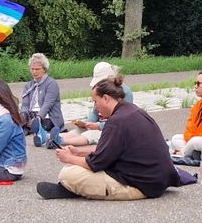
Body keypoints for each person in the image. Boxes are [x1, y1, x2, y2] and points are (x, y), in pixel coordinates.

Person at [36, 77, 180, 200]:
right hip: (156, 179)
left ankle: (74, 189)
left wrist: (69, 158)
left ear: (105, 98)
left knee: (69, 173)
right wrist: (78, 152)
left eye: (95, 101)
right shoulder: (133, 110)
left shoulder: (116, 122)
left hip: (141, 185)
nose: (95, 106)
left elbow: (96, 163)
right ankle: (78, 188)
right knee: (77, 165)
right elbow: (109, 150)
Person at [62, 61, 133, 147]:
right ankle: (50, 138)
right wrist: (87, 124)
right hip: (99, 124)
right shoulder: (100, 90)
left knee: (91, 135)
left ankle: (61, 142)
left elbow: (121, 121)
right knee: (77, 132)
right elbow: (95, 111)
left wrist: (99, 126)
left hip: (113, 129)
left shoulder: (124, 92)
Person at [20, 52, 64, 148]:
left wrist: (38, 118)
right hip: (32, 115)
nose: (34, 72)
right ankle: (36, 130)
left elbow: (48, 104)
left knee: (42, 123)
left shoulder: (52, 84)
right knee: (17, 118)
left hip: (47, 117)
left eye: (37, 69)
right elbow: (25, 105)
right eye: (32, 69)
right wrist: (24, 117)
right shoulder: (28, 85)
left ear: (44, 69)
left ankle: (41, 132)